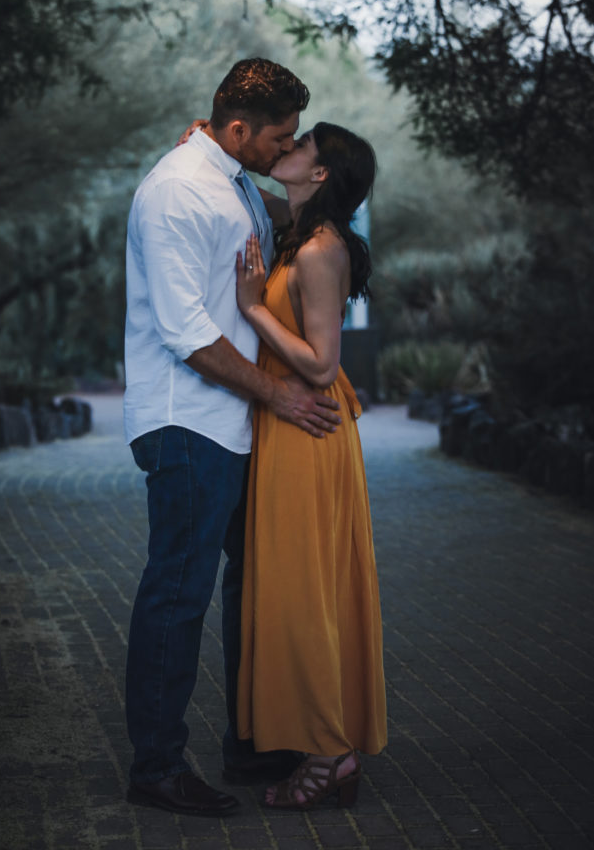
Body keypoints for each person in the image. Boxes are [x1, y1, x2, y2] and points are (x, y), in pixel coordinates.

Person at [122, 59, 343, 818]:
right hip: (187, 420)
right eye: (277, 136)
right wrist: (279, 393)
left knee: (256, 584)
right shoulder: (180, 189)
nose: (284, 149)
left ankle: (253, 743)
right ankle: (155, 766)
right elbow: (187, 333)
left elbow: (284, 239)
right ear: (239, 129)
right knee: (177, 593)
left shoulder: (232, 178)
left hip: (234, 422)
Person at [234, 122, 388, 810]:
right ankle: (328, 747)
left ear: (319, 174)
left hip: (309, 426)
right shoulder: (298, 230)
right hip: (289, 422)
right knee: (298, 588)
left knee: (304, 591)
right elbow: (241, 183)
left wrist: (249, 309)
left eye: (298, 148)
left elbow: (323, 363)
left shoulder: (320, 251)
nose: (284, 151)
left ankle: (329, 754)